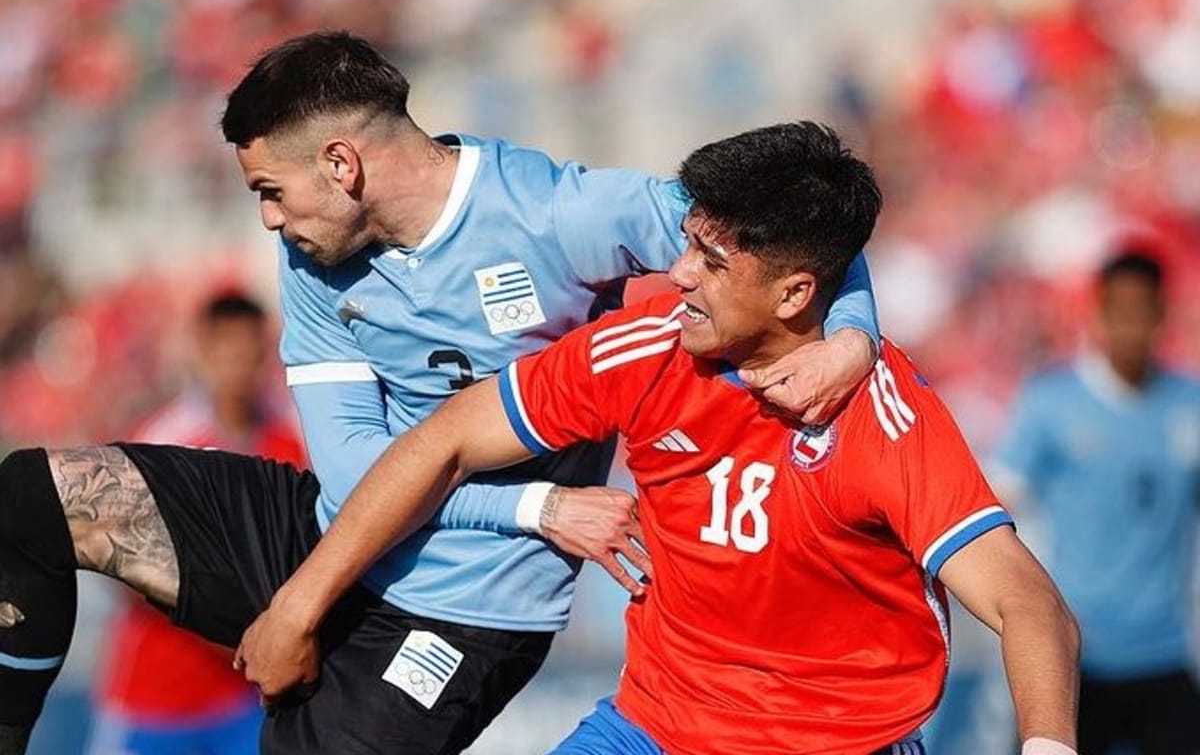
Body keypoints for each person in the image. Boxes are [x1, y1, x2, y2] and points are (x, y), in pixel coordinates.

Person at [0, 31, 882, 755]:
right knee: (36, 497)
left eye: (272, 192)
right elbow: (349, 474)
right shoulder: (314, 259)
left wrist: (853, 339)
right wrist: (535, 506)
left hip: (468, 605)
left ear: (342, 164)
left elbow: (800, 223)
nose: (268, 219)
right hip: (339, 535)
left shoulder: (553, 216)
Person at [234, 122, 1081, 755]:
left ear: (793, 295)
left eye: (712, 262)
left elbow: (1028, 605)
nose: (678, 274)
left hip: (838, 740)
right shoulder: (645, 347)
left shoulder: (884, 417)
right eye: (687, 246)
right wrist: (299, 605)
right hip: (655, 728)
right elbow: (441, 441)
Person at [991, 251, 1200, 755]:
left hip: (1162, 647)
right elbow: (998, 504)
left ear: (1160, 316)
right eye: (1120, 311)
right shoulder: (1052, 403)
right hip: (1075, 649)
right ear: (1100, 315)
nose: (1131, 326)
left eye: (1142, 311)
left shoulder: (1189, 405)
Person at [85, 291, 305, 755]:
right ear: (203, 349)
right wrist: (215, 619)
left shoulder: (290, 443)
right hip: (155, 698)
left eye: (248, 350)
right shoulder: (164, 441)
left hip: (245, 701)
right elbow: (112, 556)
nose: (238, 365)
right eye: (227, 349)